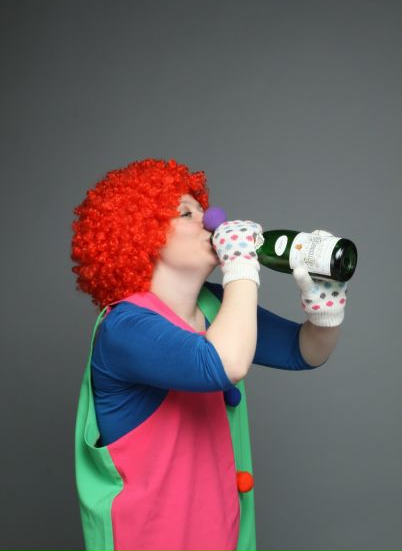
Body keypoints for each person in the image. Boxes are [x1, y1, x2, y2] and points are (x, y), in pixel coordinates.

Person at [71, 158, 348, 551]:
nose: (213, 219)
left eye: (202, 208)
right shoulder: (125, 327)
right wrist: (241, 266)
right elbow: (224, 363)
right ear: (142, 235)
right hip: (152, 539)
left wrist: (325, 314)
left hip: (219, 533)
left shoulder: (214, 305)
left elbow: (302, 351)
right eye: (187, 213)